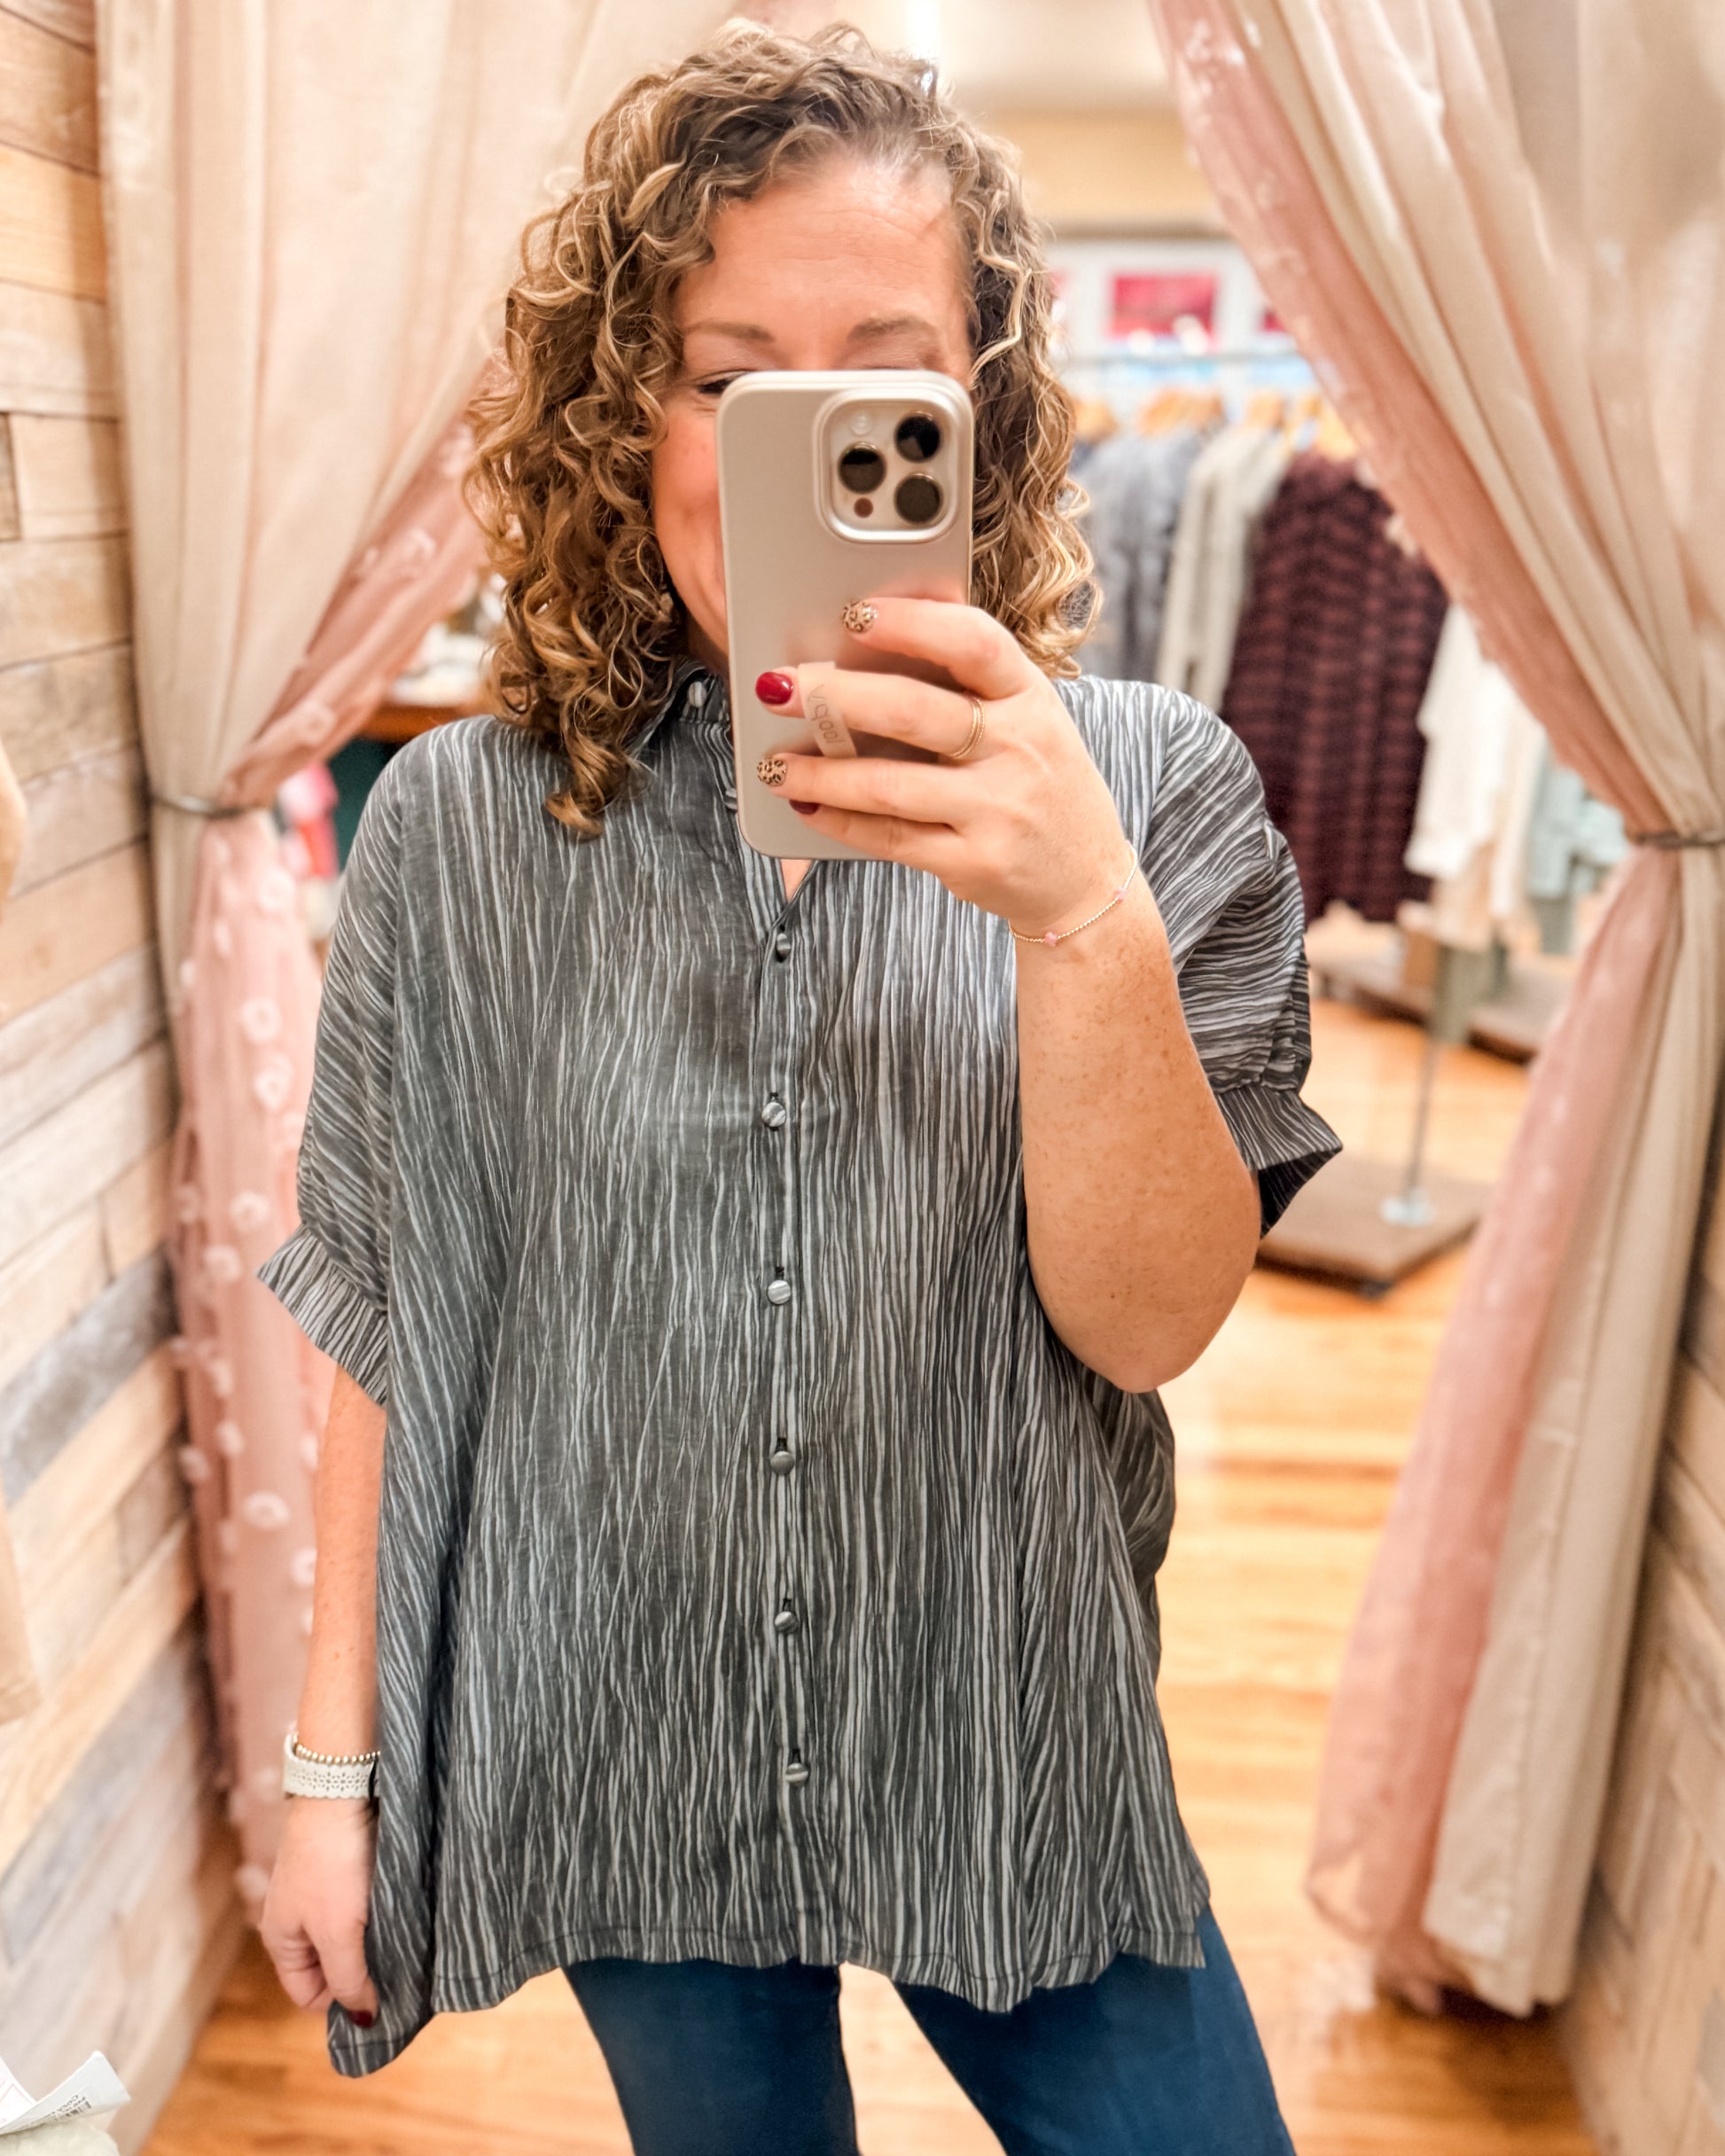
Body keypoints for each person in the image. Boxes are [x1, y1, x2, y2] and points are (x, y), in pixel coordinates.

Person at [255, 23, 1339, 2155]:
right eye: (725, 375)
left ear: (979, 413)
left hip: (1003, 1735)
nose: (789, 443)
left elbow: (1148, 1320)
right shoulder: (464, 830)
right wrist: (329, 1779)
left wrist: (1080, 920)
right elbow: (387, 1310)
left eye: (876, 377)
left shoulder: (1151, 793)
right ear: (622, 414)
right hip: (625, 1729)